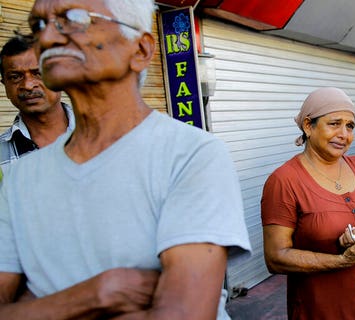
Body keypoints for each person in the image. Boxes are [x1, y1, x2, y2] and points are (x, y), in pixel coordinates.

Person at [0, 0, 251, 319]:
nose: (47, 39)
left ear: (141, 49)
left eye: (74, 19)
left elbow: (184, 313)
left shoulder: (189, 154)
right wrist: (101, 292)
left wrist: (37, 306)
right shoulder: (20, 177)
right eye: (37, 25)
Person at [261, 87, 355, 319]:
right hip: (320, 311)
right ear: (308, 126)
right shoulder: (284, 181)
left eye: (350, 126)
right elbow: (276, 257)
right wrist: (341, 260)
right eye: (334, 123)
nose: (344, 134)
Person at [0, 36, 74, 165]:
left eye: (38, 73)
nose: (28, 85)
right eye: (15, 77)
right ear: (5, 85)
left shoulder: (106, 138)